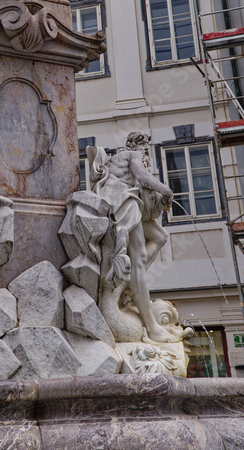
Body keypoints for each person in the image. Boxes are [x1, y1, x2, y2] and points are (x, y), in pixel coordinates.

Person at [91, 131, 175, 343]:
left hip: (128, 201)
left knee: (160, 236)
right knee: (137, 259)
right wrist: (165, 189)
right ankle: (151, 325)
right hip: (121, 202)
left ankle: (131, 278)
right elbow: (142, 176)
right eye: (145, 147)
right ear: (135, 145)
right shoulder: (130, 155)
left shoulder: (123, 161)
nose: (146, 152)